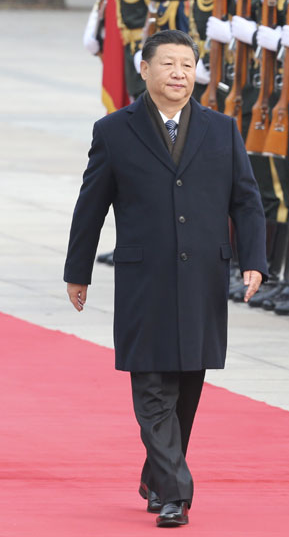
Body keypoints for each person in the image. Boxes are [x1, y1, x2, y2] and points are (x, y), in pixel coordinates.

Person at [63, 30, 267, 528]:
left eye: (187, 65)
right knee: (152, 382)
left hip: (202, 275)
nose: (179, 73)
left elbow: (246, 199)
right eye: (169, 64)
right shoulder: (114, 130)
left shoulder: (221, 129)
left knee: (187, 383)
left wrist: (254, 260)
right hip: (144, 277)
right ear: (145, 68)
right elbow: (91, 206)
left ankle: (158, 472)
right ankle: (176, 490)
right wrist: (78, 270)